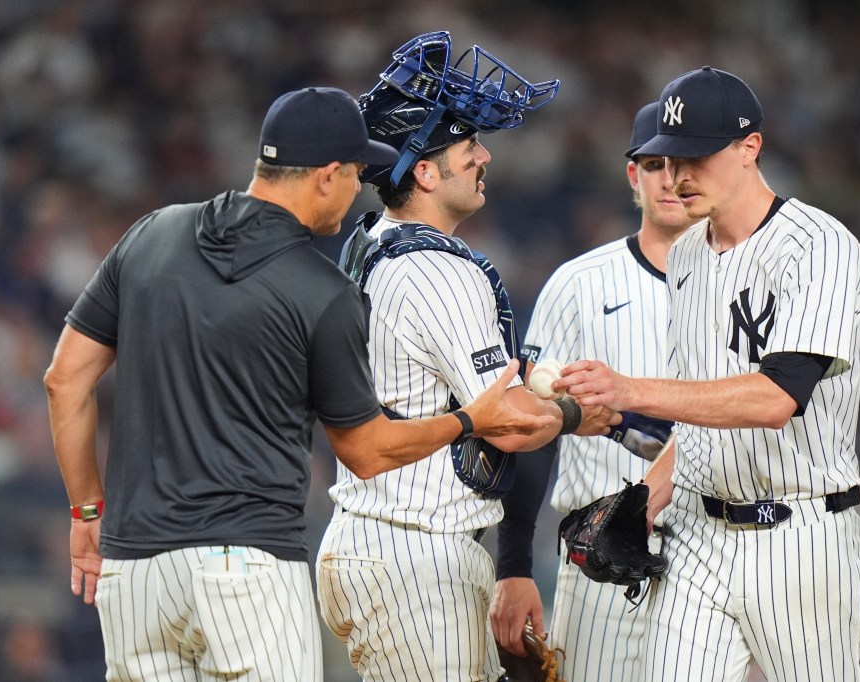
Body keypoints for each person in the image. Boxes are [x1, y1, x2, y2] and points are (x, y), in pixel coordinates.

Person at [43, 86, 555, 682]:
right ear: (325, 175)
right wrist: (468, 420)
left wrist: (85, 511)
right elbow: (366, 452)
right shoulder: (319, 290)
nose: (361, 184)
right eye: (355, 172)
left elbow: (64, 381)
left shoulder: (152, 234)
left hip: (133, 568)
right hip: (247, 567)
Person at [314, 32, 617, 682]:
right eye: (466, 146)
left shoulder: (373, 241)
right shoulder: (438, 269)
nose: (483, 157)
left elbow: (468, 378)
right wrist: (574, 413)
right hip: (414, 556)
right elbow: (507, 421)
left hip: (380, 542)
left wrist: (538, 375)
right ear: (424, 170)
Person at [554, 66, 860, 682]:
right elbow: (700, 417)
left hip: (801, 536)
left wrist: (628, 388)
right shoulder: (689, 255)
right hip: (698, 534)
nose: (676, 177)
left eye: (695, 157)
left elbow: (776, 397)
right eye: (669, 159)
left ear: (750, 147)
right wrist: (645, 500)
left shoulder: (819, 246)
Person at [488, 101, 695, 681]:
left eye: (684, 163)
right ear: (633, 174)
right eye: (653, 163)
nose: (670, 178)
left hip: (714, 548)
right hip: (599, 553)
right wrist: (513, 564)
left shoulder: (747, 285)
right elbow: (528, 433)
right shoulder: (579, 285)